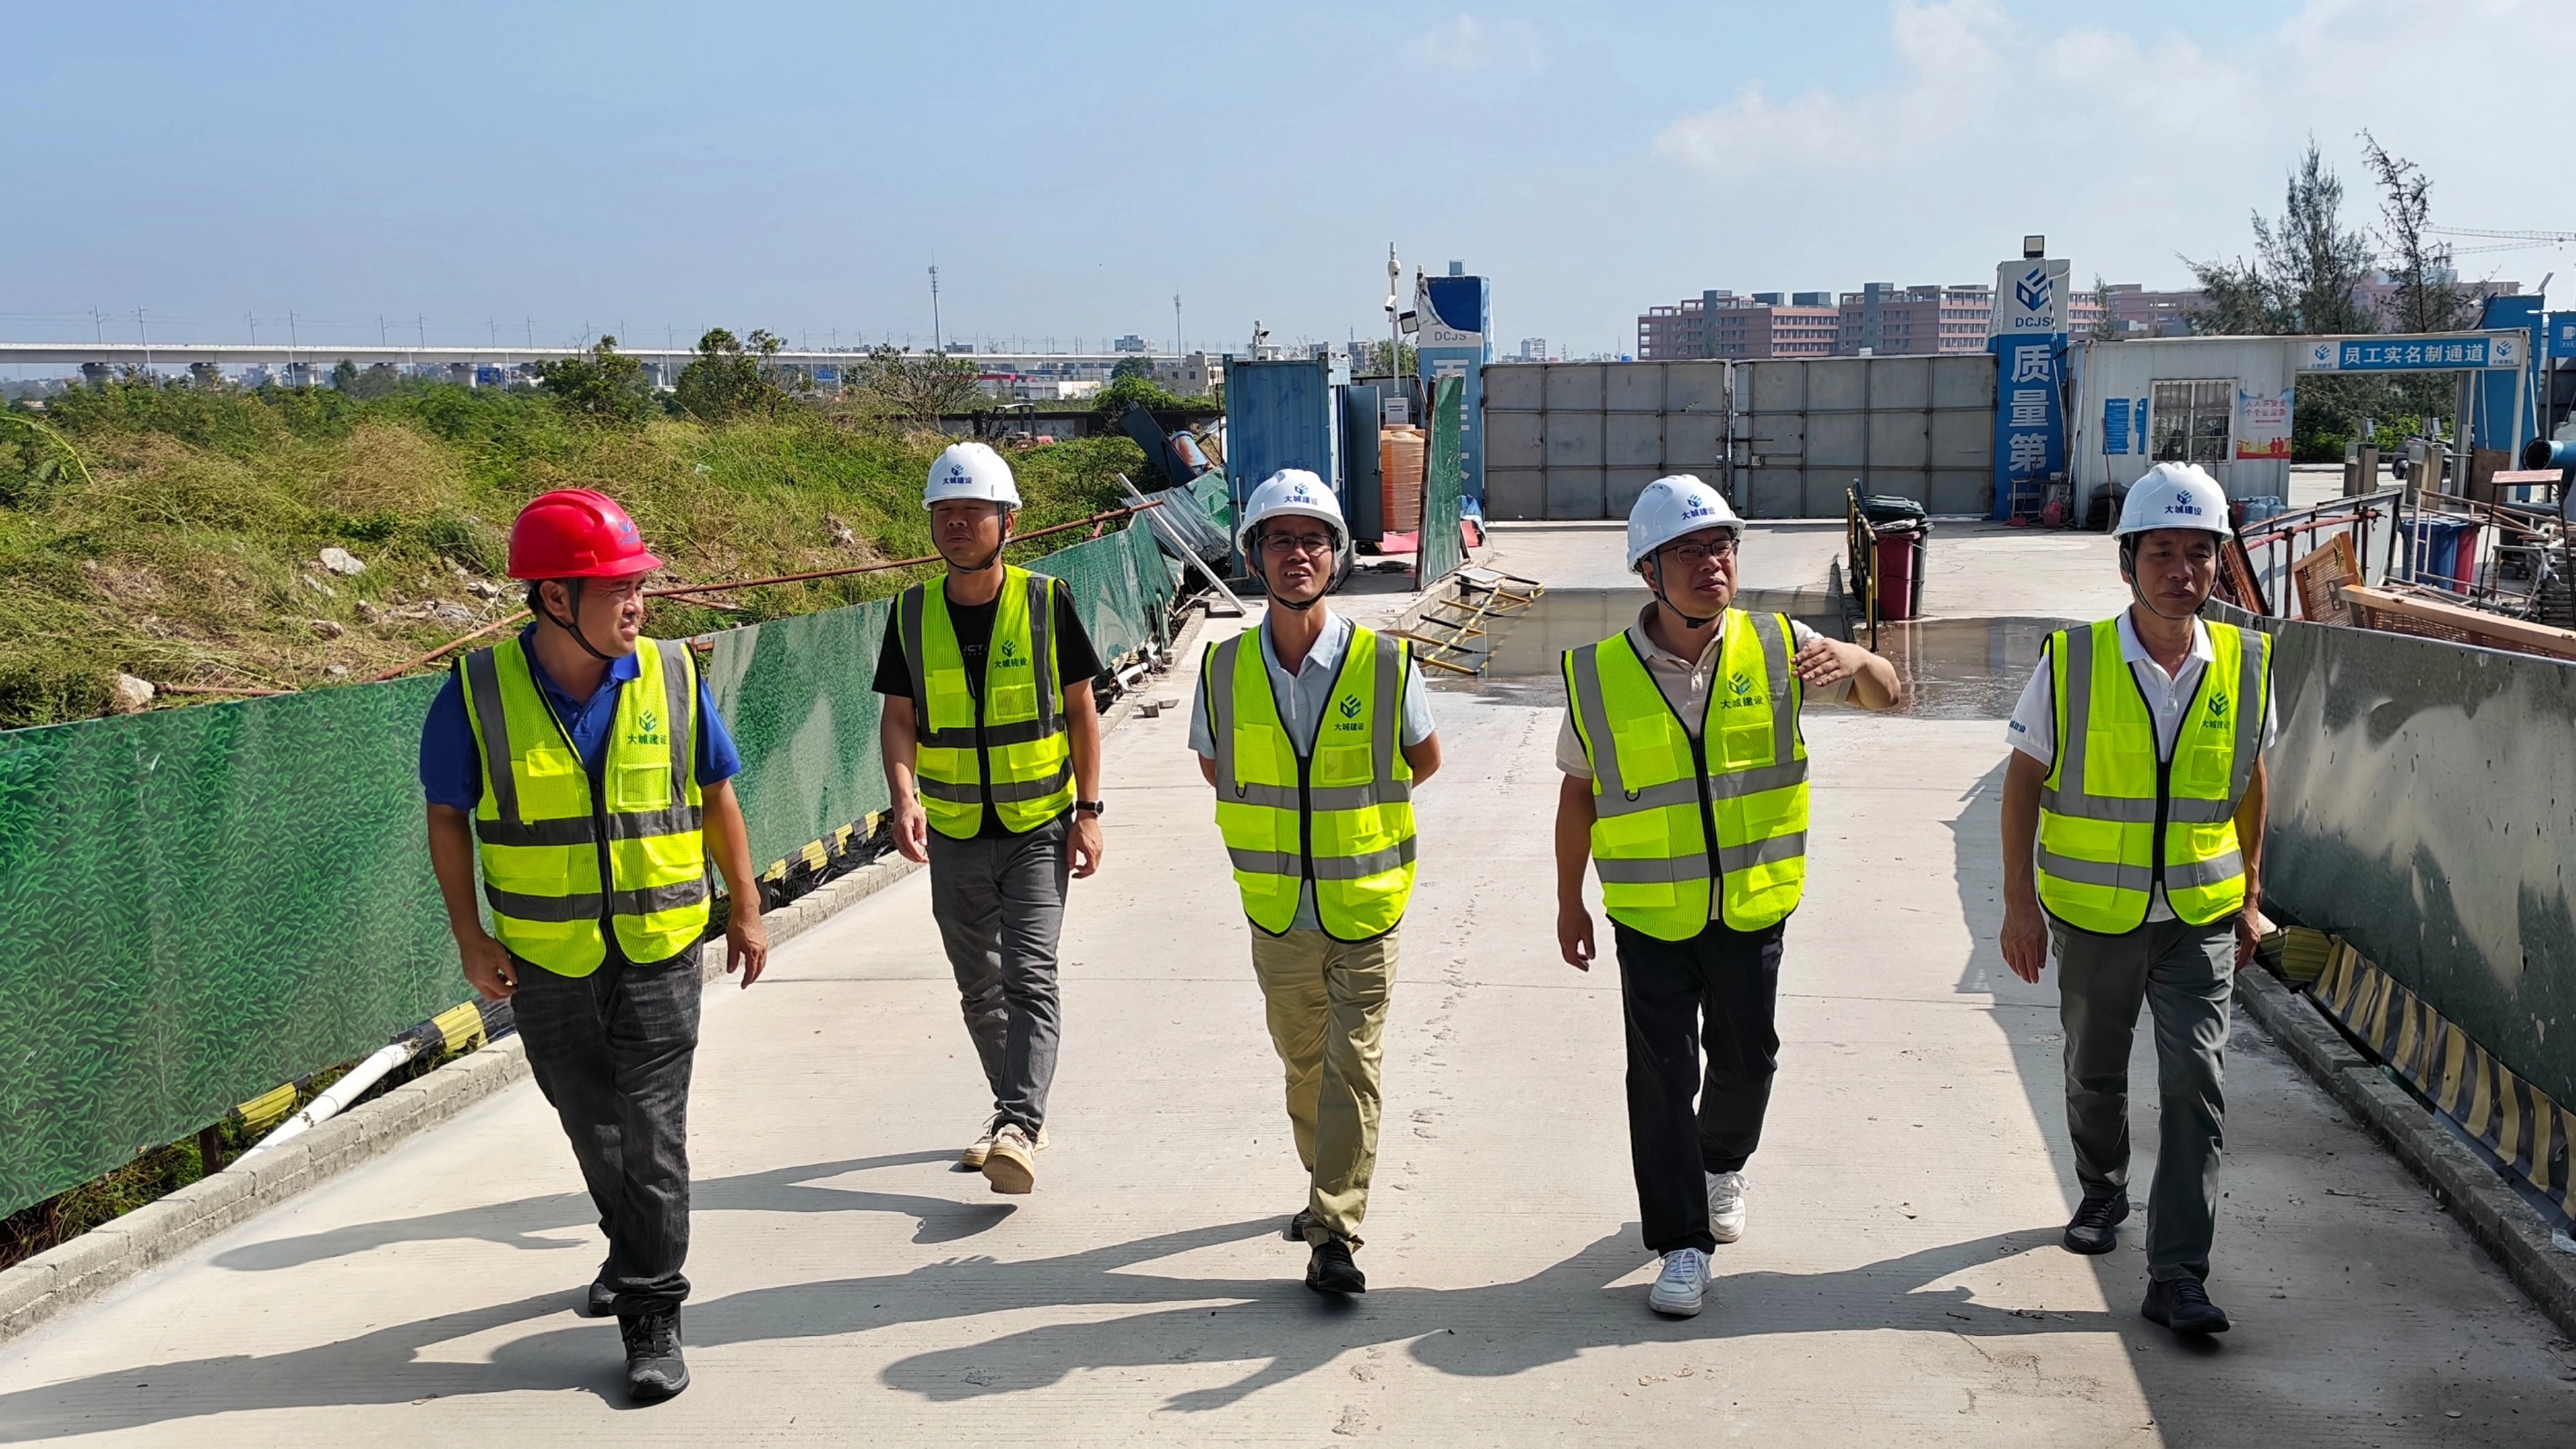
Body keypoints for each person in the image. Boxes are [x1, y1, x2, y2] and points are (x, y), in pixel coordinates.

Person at [420, 487, 769, 1405]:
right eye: (617, 587)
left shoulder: (673, 674)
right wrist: (469, 934)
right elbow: (448, 815)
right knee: (590, 1121)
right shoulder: (477, 693)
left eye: (639, 585)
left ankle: (652, 1309)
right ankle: (631, 1250)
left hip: (660, 946)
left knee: (651, 1132)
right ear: (553, 597)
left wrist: (746, 904)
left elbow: (716, 792)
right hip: (543, 958)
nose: (637, 603)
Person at [1552, 475, 1899, 1319]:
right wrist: (1569, 902)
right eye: (1687, 552)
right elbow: (1577, 794)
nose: (1712, 565)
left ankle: (1721, 1164)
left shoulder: (1778, 644)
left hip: (1751, 904)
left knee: (1749, 1060)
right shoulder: (1598, 675)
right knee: (1661, 1077)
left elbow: (1889, 695)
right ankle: (1680, 1244)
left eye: (1721, 547)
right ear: (1648, 571)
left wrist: (1858, 659)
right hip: (1649, 915)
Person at [1998, 460, 2274, 1337]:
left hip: (2199, 919)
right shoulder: (2073, 661)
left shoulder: (2246, 661)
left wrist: (2251, 892)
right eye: (2162, 552)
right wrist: (2018, 905)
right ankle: (2102, 1187)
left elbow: (2249, 781)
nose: (2181, 571)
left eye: (2200, 553)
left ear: (2219, 563)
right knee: (2095, 1072)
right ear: (2127, 563)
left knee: (2197, 1082)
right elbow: (2022, 781)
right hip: (2095, 916)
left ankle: (2178, 1274)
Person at [1190, 469, 1440, 1296]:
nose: (1297, 555)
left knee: (1352, 1069)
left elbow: (1423, 760)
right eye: (1280, 541)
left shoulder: (1386, 664)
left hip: (1366, 907)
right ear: (1253, 556)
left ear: (1336, 556)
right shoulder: (1222, 669)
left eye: (1313, 541)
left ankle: (1334, 1232)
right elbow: (1216, 766)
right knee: (1306, 1069)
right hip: (1277, 913)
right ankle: (1322, 1182)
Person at [874, 441, 1106, 1194]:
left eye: (972, 511)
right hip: (954, 832)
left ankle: (1017, 1126)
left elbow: (1081, 711)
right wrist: (904, 798)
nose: (956, 523)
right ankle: (1014, 1113)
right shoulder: (911, 612)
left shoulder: (1045, 601)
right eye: (944, 511)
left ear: (1008, 522)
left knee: (1029, 976)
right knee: (979, 987)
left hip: (1038, 825)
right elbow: (899, 717)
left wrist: (1089, 811)